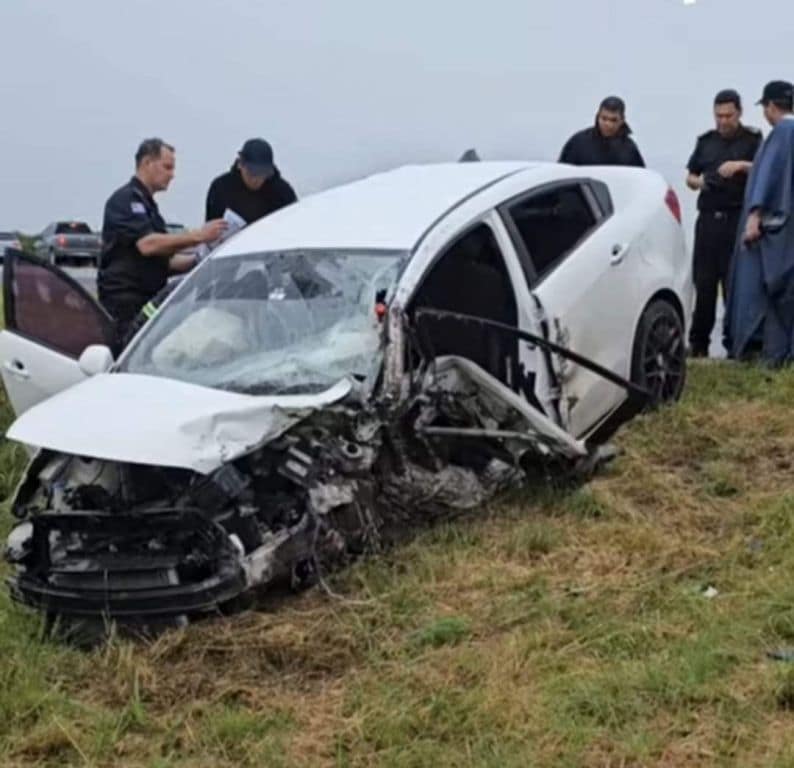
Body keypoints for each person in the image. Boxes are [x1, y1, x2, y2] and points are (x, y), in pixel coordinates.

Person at [98, 138, 227, 351]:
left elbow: (165, 261)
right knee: (125, 356)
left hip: (149, 300)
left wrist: (200, 258)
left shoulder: (150, 207)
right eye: (167, 167)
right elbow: (147, 245)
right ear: (148, 163)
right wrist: (199, 236)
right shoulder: (125, 200)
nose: (172, 174)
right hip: (124, 304)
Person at [685, 89, 762, 357]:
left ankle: (737, 344)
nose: (723, 121)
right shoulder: (706, 142)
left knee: (735, 286)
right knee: (704, 284)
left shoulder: (753, 140)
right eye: (718, 116)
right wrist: (702, 182)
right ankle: (698, 344)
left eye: (728, 116)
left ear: (739, 113)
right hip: (708, 220)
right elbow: (690, 177)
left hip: (737, 220)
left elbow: (765, 169)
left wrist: (741, 165)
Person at [724, 81, 794, 364]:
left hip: (776, 229)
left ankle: (769, 353)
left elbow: (770, 177)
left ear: (771, 107)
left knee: (762, 291)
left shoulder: (782, 133)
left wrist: (754, 216)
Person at [205, 138, 297, 224]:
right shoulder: (221, 188)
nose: (256, 180)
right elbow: (210, 228)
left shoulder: (282, 192)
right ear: (240, 165)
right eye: (251, 173)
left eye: (262, 174)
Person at [559, 96, 645, 167]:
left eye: (613, 120)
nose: (608, 124)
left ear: (622, 120)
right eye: (604, 118)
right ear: (598, 116)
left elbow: (640, 179)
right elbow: (562, 175)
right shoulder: (579, 143)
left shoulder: (629, 149)